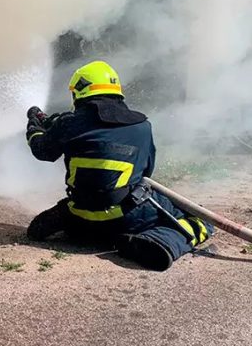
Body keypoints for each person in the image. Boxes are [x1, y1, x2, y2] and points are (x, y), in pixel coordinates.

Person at [25, 60, 211, 271]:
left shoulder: (68, 124)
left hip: (79, 213)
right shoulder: (142, 126)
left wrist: (34, 126)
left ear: (80, 90)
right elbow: (146, 171)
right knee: (200, 219)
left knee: (37, 229)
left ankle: (84, 232)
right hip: (127, 217)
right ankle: (159, 241)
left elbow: (42, 151)